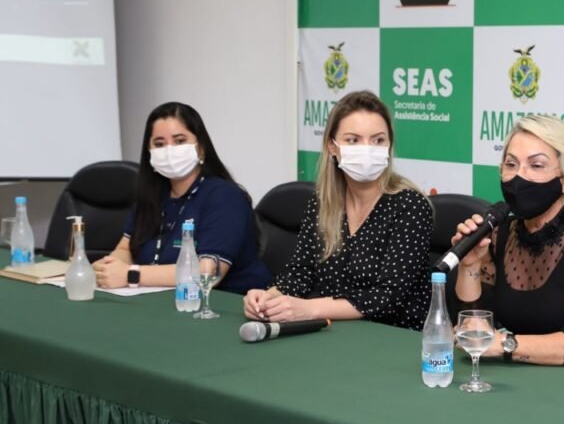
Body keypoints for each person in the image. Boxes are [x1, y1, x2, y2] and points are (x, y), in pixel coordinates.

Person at [451, 114, 564, 367]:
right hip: (512, 377)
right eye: (511, 164)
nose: (518, 177)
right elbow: (474, 325)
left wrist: (506, 345)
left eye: (536, 165)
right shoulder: (500, 233)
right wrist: (469, 265)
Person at [243, 90, 431, 330]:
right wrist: (268, 298)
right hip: (333, 331)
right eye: (353, 140)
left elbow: (388, 297)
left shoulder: (410, 206)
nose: (367, 149)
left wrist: (309, 309)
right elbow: (300, 273)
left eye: (378, 140)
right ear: (332, 147)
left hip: (393, 335)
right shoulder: (323, 202)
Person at [93, 102, 271, 295]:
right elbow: (125, 249)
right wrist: (110, 267)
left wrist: (131, 275)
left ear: (201, 148)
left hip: (228, 302)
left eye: (179, 141)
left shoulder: (225, 196)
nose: (169, 150)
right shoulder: (152, 195)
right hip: (162, 298)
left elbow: (207, 273)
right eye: (159, 144)